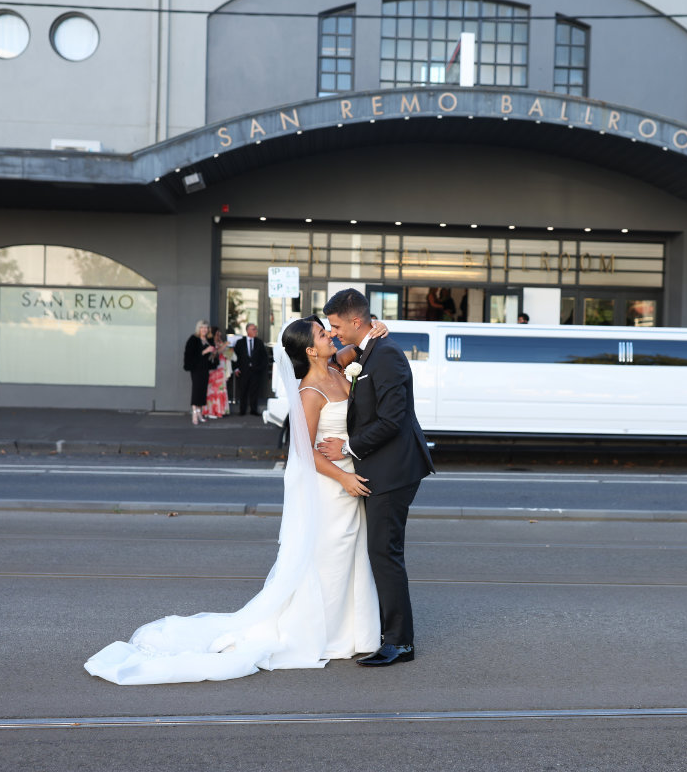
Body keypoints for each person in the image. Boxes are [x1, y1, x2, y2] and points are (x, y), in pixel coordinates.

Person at [84, 317, 391, 685]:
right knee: (329, 558)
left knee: (350, 554)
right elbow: (303, 451)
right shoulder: (310, 390)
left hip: (347, 478)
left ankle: (352, 631)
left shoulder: (339, 367)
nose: (332, 336)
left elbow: (356, 346)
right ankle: (324, 632)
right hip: (331, 485)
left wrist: (376, 330)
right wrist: (342, 476)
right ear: (310, 350)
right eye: (324, 334)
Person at [318, 288, 435, 667]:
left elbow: (392, 420)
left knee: (385, 554)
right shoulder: (368, 349)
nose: (332, 332)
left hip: (394, 470)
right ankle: (390, 635)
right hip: (380, 467)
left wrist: (349, 448)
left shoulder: (386, 357)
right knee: (381, 553)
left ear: (356, 321)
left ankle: (399, 643)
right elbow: (339, 361)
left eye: (336, 326)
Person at [182, 319, 218, 425]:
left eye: (206, 328)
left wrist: (213, 353)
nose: (204, 330)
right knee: (196, 390)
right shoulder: (193, 339)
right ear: (199, 328)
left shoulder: (209, 339)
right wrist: (205, 351)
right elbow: (190, 355)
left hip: (205, 368)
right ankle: (194, 413)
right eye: (202, 327)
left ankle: (199, 413)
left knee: (202, 391)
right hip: (196, 368)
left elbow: (211, 357)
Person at [233, 323, 268, 416]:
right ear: (247, 330)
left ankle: (253, 410)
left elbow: (264, 357)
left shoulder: (259, 342)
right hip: (243, 371)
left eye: (255, 329)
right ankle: (242, 410)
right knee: (243, 391)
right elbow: (235, 356)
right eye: (253, 329)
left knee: (254, 392)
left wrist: (260, 368)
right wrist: (236, 368)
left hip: (255, 371)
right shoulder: (240, 342)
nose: (255, 331)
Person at [202, 327, 231, 419]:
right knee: (212, 391)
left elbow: (229, 354)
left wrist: (230, 349)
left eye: (220, 334)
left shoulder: (221, 342)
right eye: (217, 334)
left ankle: (220, 410)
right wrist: (224, 346)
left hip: (222, 369)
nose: (219, 336)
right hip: (213, 369)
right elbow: (215, 353)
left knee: (221, 390)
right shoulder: (210, 343)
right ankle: (210, 411)